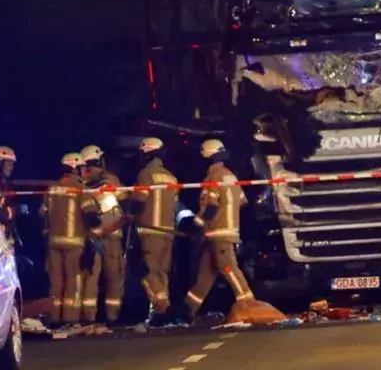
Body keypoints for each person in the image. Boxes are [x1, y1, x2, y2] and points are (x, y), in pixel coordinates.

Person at [182, 139, 254, 321]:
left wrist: (195, 225)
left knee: (228, 267)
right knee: (205, 275)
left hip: (218, 232)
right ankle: (186, 311)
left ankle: (249, 304)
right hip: (227, 231)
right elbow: (243, 202)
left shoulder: (212, 177)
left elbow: (211, 208)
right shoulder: (231, 176)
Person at [40, 152, 103, 330]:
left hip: (53, 242)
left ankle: (55, 317)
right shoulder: (80, 188)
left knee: (56, 281)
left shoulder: (52, 188)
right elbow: (91, 216)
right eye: (82, 168)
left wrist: (46, 233)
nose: (84, 171)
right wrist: (95, 237)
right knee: (73, 282)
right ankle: (70, 318)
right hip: (75, 243)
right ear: (75, 168)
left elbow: (42, 214)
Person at [127, 137, 179, 325]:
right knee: (161, 273)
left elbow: (139, 200)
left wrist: (129, 217)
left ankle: (162, 308)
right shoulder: (171, 177)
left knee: (146, 272)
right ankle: (163, 312)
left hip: (149, 230)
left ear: (146, 154)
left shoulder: (145, 174)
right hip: (168, 232)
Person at [79, 145, 127, 325]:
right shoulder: (111, 181)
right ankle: (112, 316)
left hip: (90, 237)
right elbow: (124, 201)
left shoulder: (81, 184)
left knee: (91, 277)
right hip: (112, 235)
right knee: (114, 275)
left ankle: (89, 316)